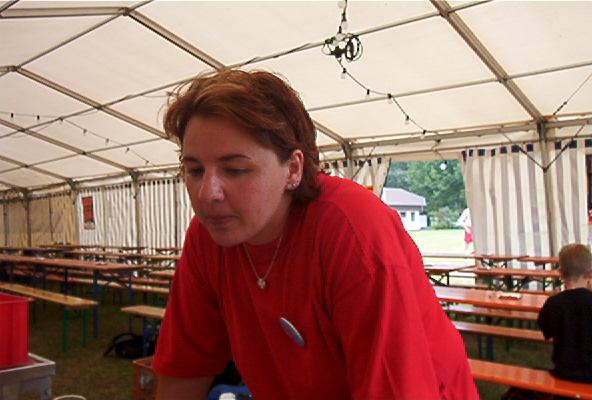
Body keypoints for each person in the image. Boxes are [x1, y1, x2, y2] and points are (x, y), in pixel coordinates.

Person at [152, 69, 478, 399]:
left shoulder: (352, 229)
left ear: (293, 169)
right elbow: (186, 367)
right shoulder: (209, 236)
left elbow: (394, 387)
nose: (207, 193)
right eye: (194, 170)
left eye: (235, 170)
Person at [537, 243, 592, 383]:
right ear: (589, 273)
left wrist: (552, 299)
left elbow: (546, 331)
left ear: (560, 273)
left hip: (563, 372)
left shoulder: (554, 302)